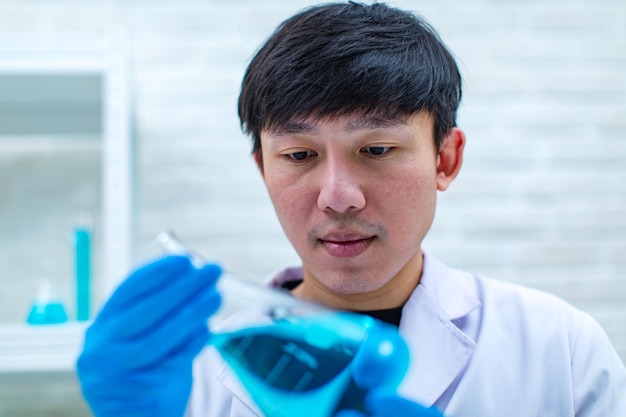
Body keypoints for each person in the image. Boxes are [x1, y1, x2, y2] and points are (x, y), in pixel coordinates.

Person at [76, 2, 626, 417]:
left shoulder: (560, 349)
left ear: (446, 158)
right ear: (263, 169)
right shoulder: (187, 376)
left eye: (377, 150)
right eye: (298, 155)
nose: (338, 196)